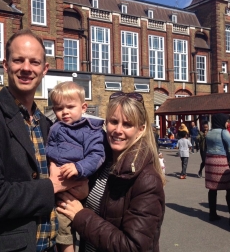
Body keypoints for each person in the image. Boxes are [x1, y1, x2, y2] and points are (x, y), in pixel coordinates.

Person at [0, 29, 86, 252]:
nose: (26, 68)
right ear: (6, 65)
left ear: (44, 70)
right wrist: (52, 186)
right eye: (18, 60)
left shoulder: (47, 125)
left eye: (34, 62)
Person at [56, 91, 165, 252]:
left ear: (141, 130)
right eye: (114, 122)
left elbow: (134, 247)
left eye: (127, 124)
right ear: (106, 123)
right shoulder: (101, 164)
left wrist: (81, 215)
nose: (118, 130)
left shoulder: (147, 180)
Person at [46, 81, 105, 252]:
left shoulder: (91, 130)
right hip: (57, 180)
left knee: (63, 223)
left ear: (84, 107)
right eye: (58, 108)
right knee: (57, 223)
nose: (64, 112)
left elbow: (97, 155)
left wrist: (79, 167)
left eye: (70, 107)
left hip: (76, 180)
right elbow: (48, 149)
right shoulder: (55, 127)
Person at [205, 113, 230, 226]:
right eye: (226, 121)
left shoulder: (209, 132)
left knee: (212, 189)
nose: (227, 123)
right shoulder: (224, 132)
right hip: (221, 161)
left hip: (209, 161)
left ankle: (212, 214)